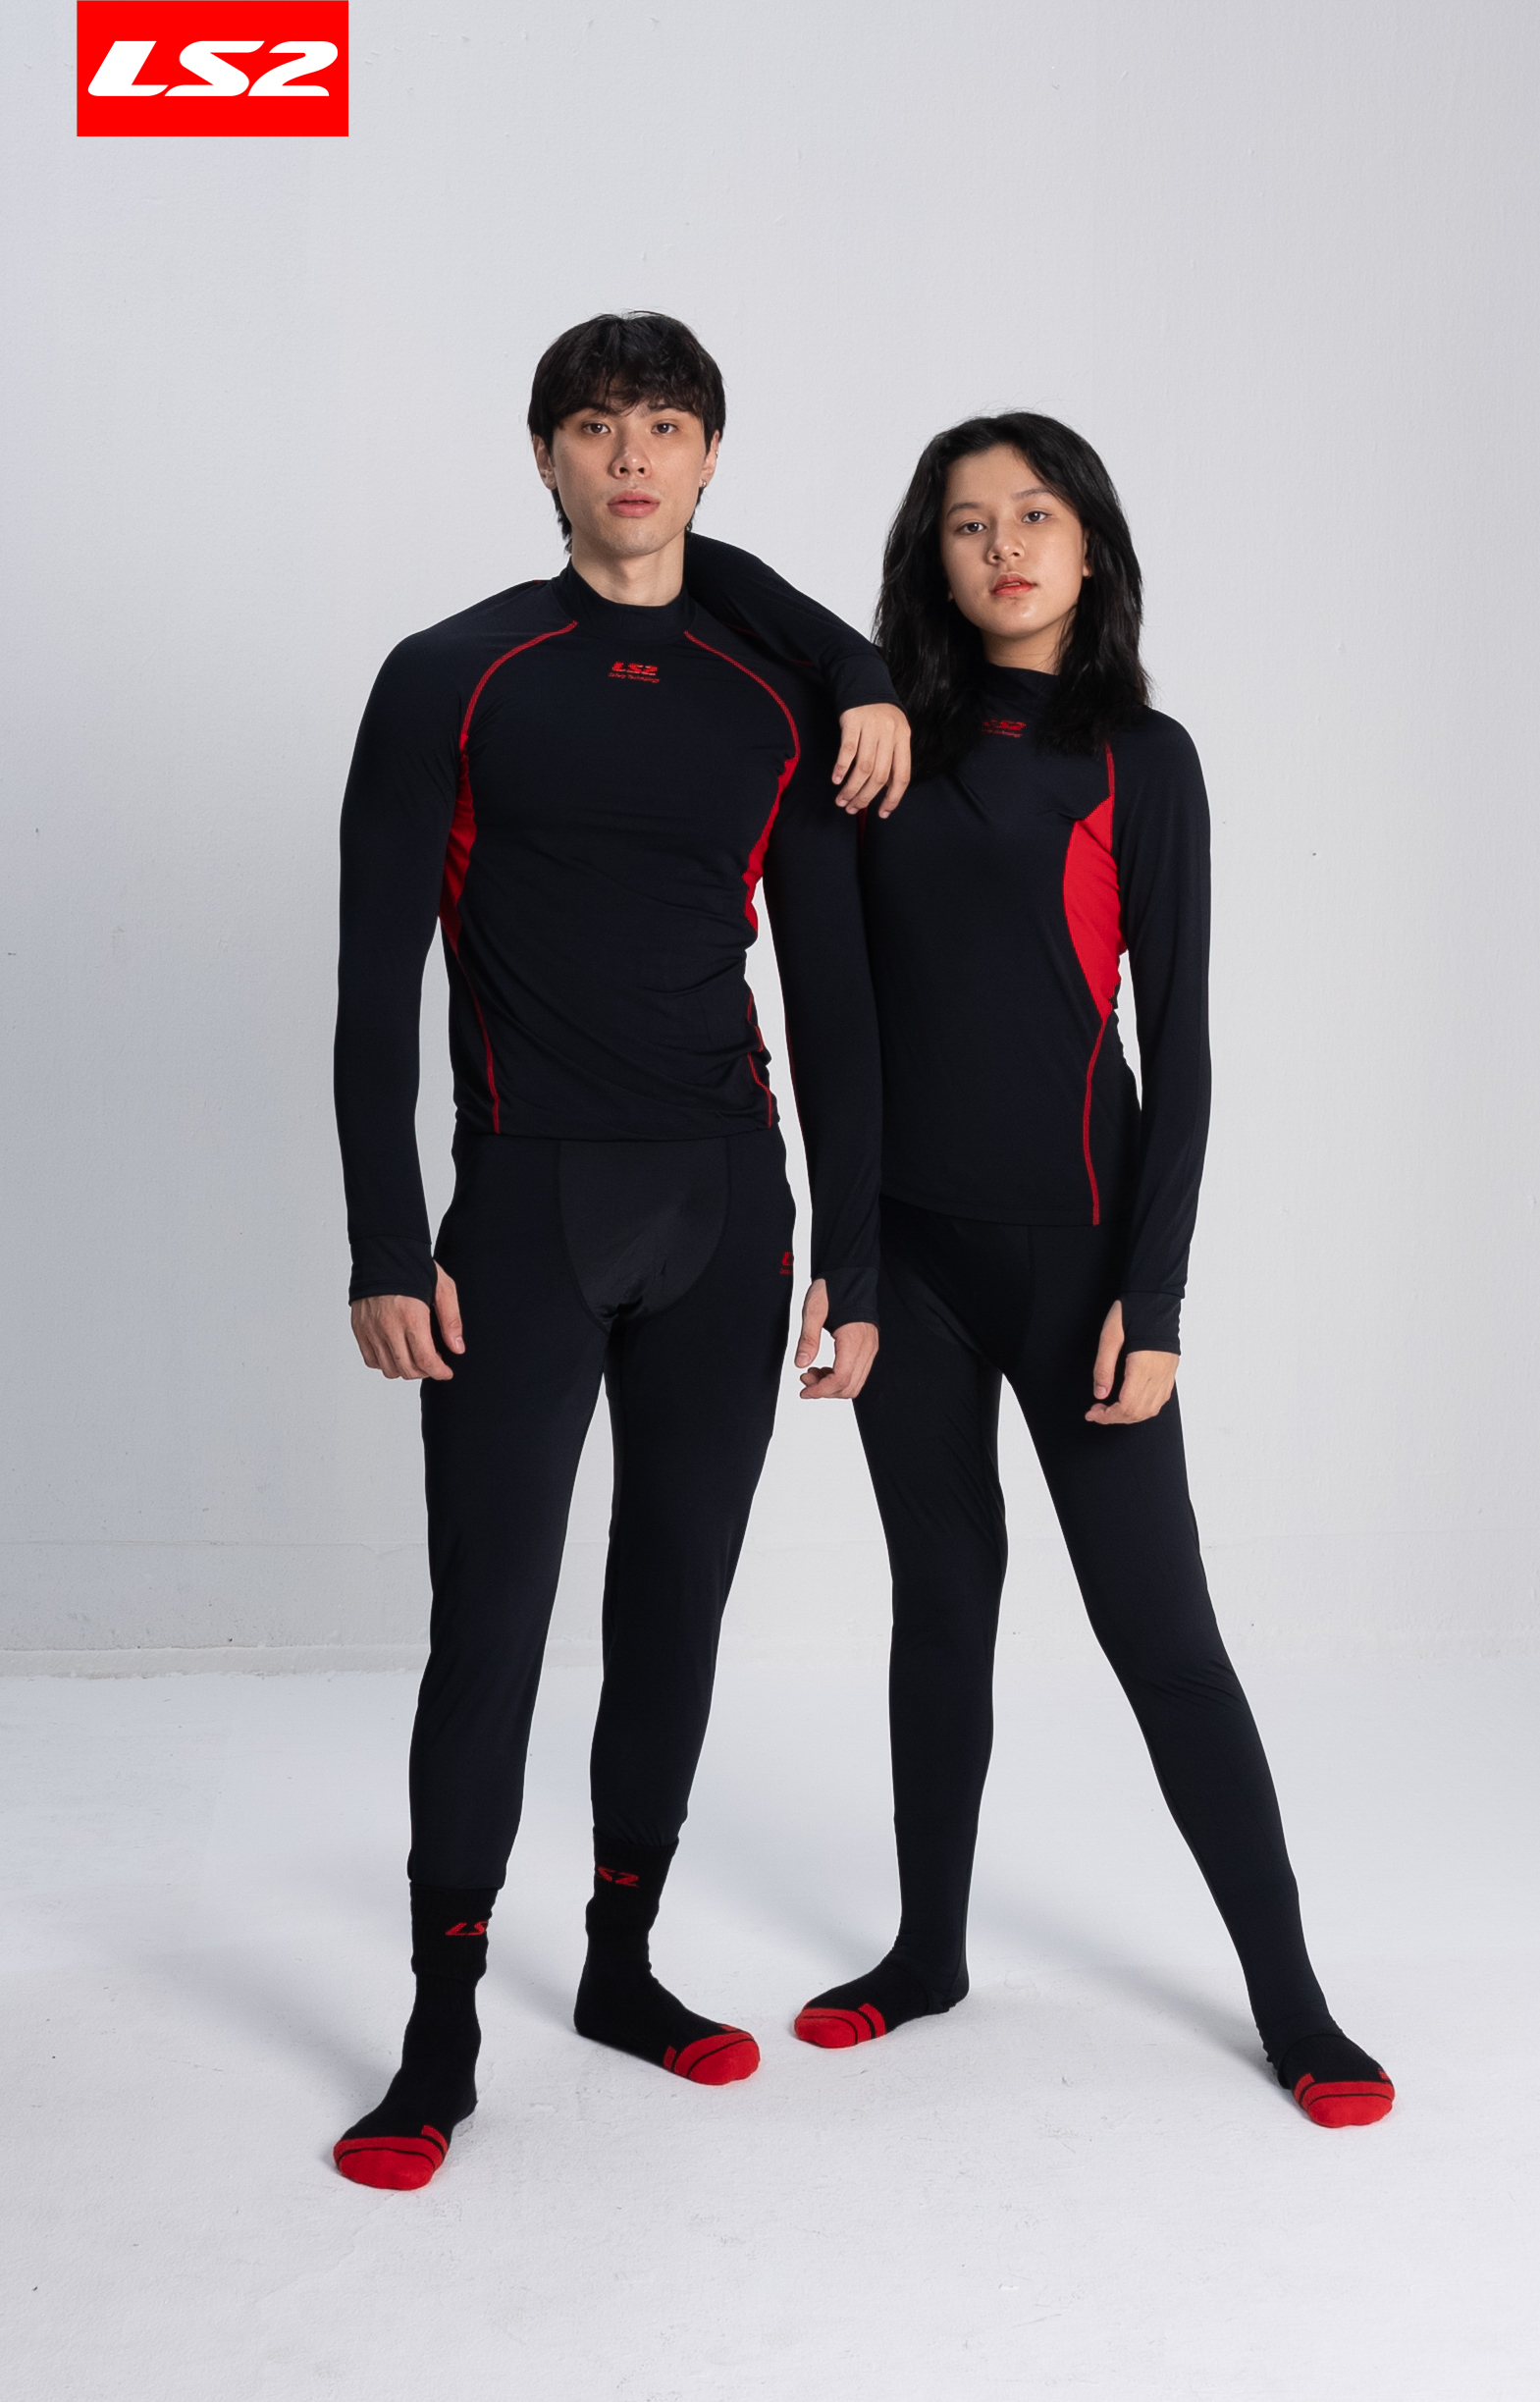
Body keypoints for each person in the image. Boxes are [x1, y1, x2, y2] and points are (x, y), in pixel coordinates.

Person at [331, 311, 909, 2190]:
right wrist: (384, 1240)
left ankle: (619, 1964)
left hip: (727, 1207)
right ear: (546, 456)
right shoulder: (454, 675)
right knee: (491, 1623)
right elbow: (371, 983)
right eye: (595, 425)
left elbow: (835, 1000)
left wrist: (854, 1260)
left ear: (710, 456)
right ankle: (437, 2029)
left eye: (665, 424)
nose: (631, 454)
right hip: (524, 1206)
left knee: (673, 1604)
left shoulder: (773, 702)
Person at [788, 414, 1395, 2131]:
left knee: (1160, 1634)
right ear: (928, 556)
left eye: (1034, 514)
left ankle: (1292, 2003)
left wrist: (1157, 1295)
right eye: (966, 522)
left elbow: (1177, 1049)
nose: (1003, 547)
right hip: (910, 1260)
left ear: (1088, 545)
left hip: (1081, 1267)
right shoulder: (873, 752)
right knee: (940, 1603)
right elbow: (834, 1033)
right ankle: (925, 1954)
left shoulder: (1141, 756)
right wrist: (845, 1266)